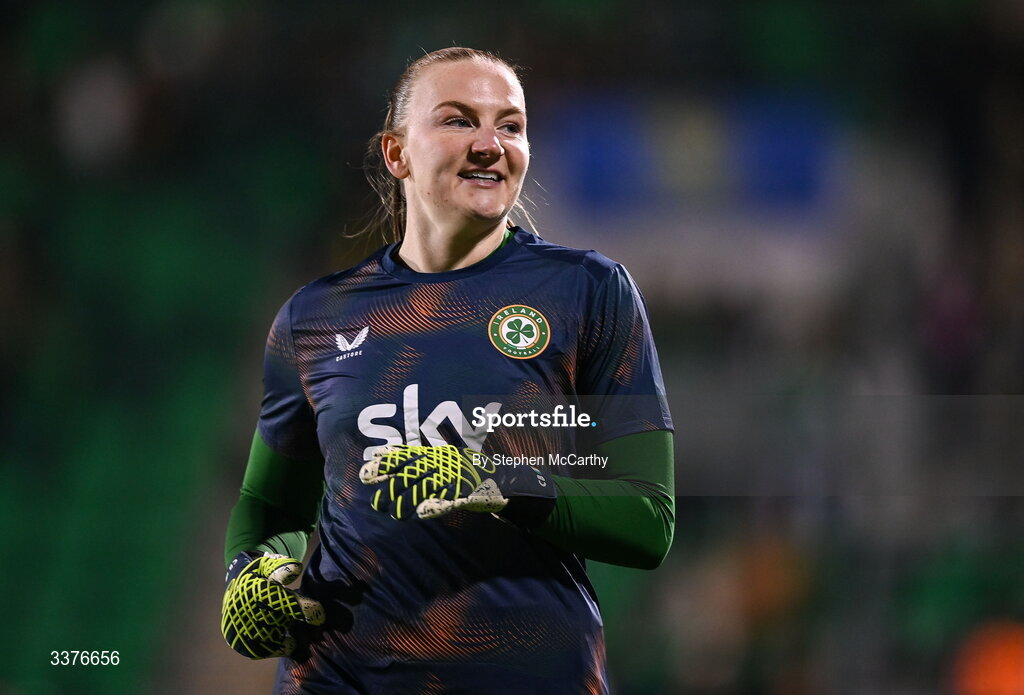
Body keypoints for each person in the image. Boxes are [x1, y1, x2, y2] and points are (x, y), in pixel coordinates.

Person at [221, 46, 675, 695]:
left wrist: (496, 481)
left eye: (511, 125)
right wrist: (251, 572)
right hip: (337, 677)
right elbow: (271, 505)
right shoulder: (315, 317)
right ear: (397, 153)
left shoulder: (589, 292)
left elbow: (648, 519)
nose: (491, 144)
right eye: (459, 120)